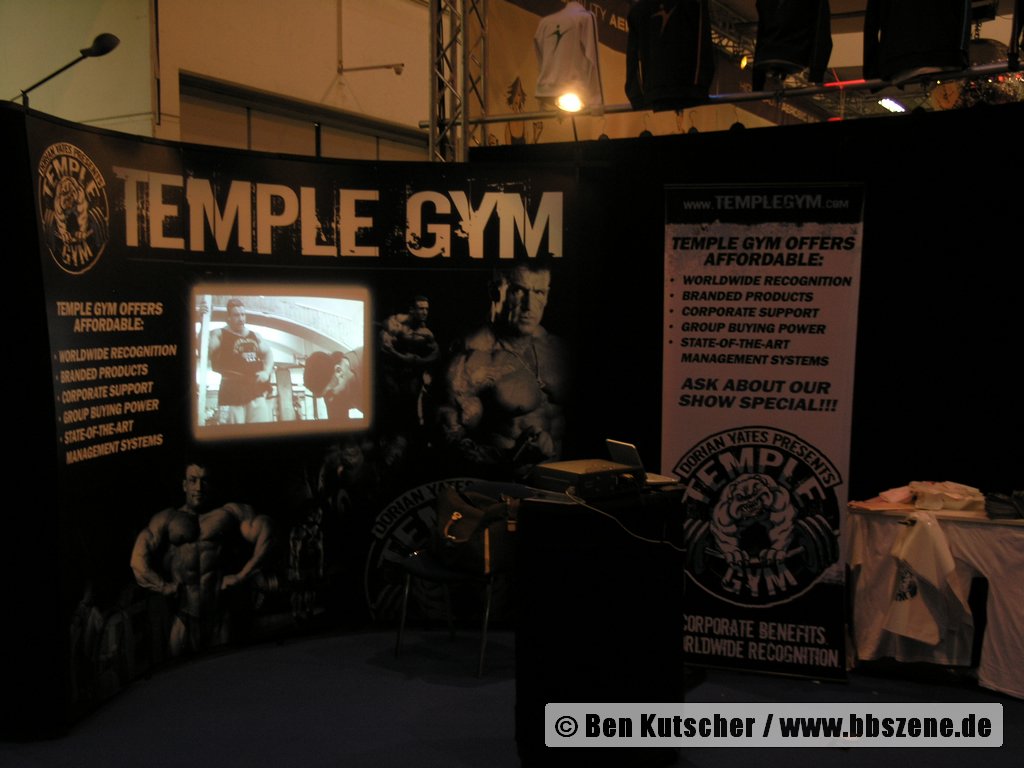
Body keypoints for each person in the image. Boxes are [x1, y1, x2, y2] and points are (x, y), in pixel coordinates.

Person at [130, 462, 274, 656]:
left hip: (220, 614)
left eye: (204, 481)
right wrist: (163, 586)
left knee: (224, 668)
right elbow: (137, 560)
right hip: (184, 616)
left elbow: (267, 532)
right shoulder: (167, 518)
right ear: (184, 485)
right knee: (179, 671)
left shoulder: (229, 513)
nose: (199, 487)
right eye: (193, 480)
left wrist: (242, 576)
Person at [438, 264, 569, 478]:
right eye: (518, 291)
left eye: (538, 292)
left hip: (561, 485)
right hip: (501, 487)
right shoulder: (472, 356)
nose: (529, 306)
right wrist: (510, 457)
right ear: (494, 292)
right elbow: (449, 440)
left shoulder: (558, 348)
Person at [208, 298, 274, 424]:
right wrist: (203, 321)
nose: (241, 318)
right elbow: (206, 351)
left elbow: (268, 353)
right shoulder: (219, 334)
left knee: (261, 430)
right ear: (228, 317)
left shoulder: (255, 336)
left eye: (243, 314)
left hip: (255, 390)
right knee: (234, 432)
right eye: (236, 315)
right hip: (231, 392)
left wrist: (266, 372)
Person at [379, 295, 438, 428]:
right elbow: (384, 344)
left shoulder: (426, 333)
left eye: (427, 309)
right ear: (412, 310)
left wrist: (418, 361)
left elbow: (435, 355)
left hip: (409, 376)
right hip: (391, 374)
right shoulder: (396, 322)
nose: (425, 312)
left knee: (410, 408)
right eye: (421, 309)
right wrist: (399, 355)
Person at [303, 347, 365, 422]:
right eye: (326, 396)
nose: (330, 400)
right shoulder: (332, 394)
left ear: (339, 371)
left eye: (329, 394)